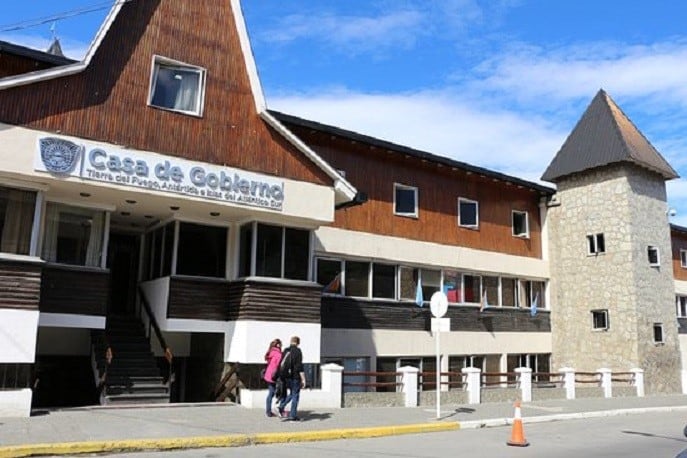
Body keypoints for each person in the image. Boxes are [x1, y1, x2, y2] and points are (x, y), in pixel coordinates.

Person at [277, 336, 306, 421]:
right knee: (295, 395)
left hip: (286, 377)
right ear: (298, 343)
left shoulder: (286, 350)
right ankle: (293, 415)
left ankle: (281, 407)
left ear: (291, 342)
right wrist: (303, 379)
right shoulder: (298, 351)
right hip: (295, 377)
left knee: (292, 394)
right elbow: (299, 367)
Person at [262, 338, 282, 417]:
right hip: (274, 375)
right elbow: (279, 365)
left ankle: (268, 410)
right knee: (273, 393)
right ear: (278, 345)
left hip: (268, 375)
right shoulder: (278, 354)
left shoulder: (270, 352)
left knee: (271, 393)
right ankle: (275, 409)